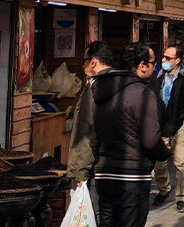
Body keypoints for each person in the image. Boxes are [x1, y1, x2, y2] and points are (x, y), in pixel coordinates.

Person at [91, 43, 170, 227]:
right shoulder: (143, 94)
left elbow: (94, 135)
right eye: (153, 63)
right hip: (131, 177)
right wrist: (165, 152)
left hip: (105, 174)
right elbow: (150, 140)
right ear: (142, 65)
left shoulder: (102, 90)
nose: (155, 67)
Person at [152, 45, 184, 213]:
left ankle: (181, 197)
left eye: (168, 57)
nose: (164, 60)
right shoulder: (157, 76)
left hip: (180, 125)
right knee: (159, 164)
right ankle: (164, 189)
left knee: (181, 163)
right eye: (164, 56)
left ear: (177, 60)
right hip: (160, 126)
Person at [68, 41, 114, 185]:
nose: (82, 66)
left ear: (93, 62)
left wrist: (81, 171)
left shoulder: (94, 88)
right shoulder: (119, 82)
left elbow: (85, 130)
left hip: (96, 164)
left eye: (85, 61)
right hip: (116, 164)